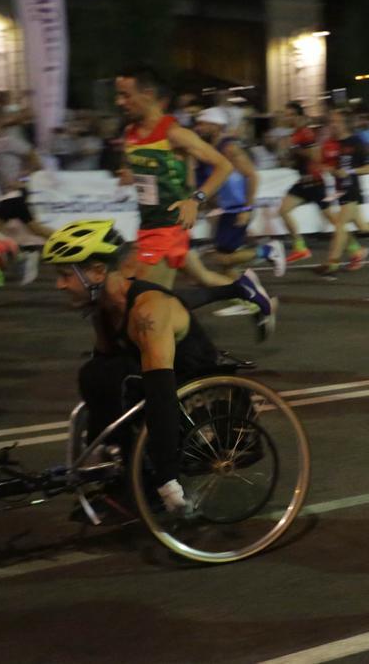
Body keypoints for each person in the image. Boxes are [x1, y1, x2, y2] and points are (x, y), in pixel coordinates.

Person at [43, 220, 222, 516]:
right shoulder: (103, 308)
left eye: (65, 275)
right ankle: (119, 473)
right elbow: (102, 363)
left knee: (122, 379)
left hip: (187, 376)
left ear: (98, 272)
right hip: (145, 373)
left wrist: (169, 480)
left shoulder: (147, 310)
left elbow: (161, 392)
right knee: (95, 373)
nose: (59, 285)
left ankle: (151, 485)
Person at [115, 65, 275, 340]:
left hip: (169, 227)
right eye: (118, 95)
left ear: (148, 94)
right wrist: (131, 174)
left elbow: (222, 165)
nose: (120, 102)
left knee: (144, 300)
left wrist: (195, 198)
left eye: (126, 95)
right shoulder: (130, 133)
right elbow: (147, 169)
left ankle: (179, 362)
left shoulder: (173, 133)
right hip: (148, 226)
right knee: (199, 277)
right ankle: (246, 290)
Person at [191, 108, 285, 304]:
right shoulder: (211, 148)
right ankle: (248, 302)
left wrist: (246, 208)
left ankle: (268, 250)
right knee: (225, 266)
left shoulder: (229, 148)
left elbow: (252, 175)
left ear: (216, 125)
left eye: (203, 124)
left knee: (220, 259)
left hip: (238, 209)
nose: (198, 128)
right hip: (227, 210)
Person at [0, 105, 51, 287]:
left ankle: (1, 270)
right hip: (7, 196)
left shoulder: (11, 141)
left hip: (15, 194)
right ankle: (27, 255)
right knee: (36, 229)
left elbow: (36, 162)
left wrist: (21, 179)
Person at [316, 108, 369, 277]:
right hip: (339, 190)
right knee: (364, 227)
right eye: (331, 121)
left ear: (344, 123)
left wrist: (349, 172)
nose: (332, 124)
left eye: (335, 121)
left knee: (340, 225)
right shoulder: (333, 143)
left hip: (352, 190)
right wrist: (328, 168)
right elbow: (328, 164)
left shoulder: (356, 141)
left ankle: (332, 262)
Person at [273, 102, 324, 264]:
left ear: (299, 116)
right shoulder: (295, 134)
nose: (287, 118)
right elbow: (296, 159)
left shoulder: (306, 133)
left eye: (290, 115)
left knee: (335, 220)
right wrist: (286, 158)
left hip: (314, 181)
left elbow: (315, 157)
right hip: (303, 182)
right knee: (283, 210)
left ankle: (355, 248)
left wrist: (294, 149)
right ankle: (300, 247)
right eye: (286, 115)